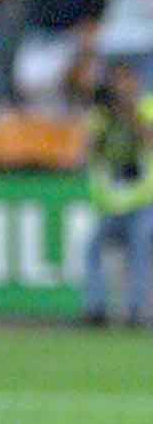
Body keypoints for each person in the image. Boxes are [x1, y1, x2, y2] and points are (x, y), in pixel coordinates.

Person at [82, 62, 153, 326]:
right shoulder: (101, 116)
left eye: (127, 81)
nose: (123, 88)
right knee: (92, 249)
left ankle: (137, 312)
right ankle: (96, 308)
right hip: (112, 204)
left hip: (144, 201)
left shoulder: (147, 108)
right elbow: (90, 150)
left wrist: (131, 114)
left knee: (140, 252)